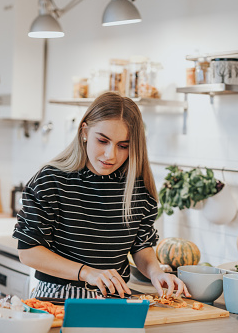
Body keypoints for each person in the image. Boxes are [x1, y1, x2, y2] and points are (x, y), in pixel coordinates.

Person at [13, 91, 190, 300]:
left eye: (123, 146)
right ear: (85, 131)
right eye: (103, 141)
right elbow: (28, 251)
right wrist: (88, 273)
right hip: (58, 299)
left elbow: (141, 246)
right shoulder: (51, 180)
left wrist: (156, 272)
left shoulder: (137, 187)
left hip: (115, 299)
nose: (111, 155)